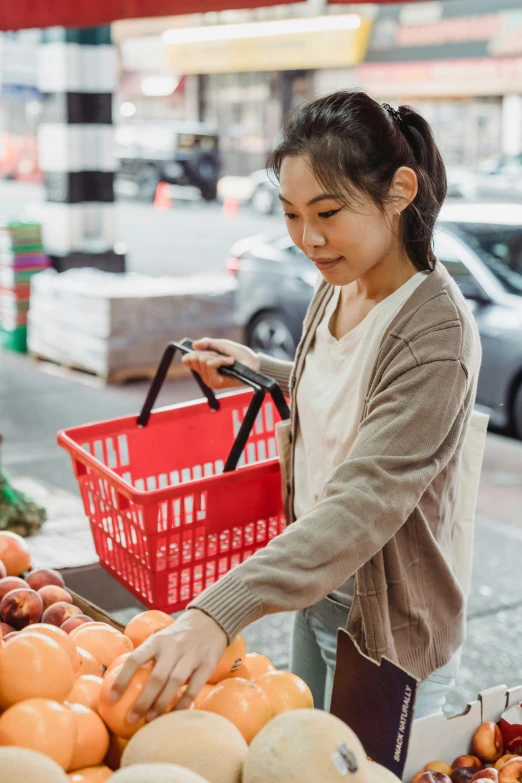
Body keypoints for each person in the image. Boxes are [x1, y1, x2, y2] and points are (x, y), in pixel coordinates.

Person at [109, 91, 481, 724]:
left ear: (399, 191)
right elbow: (339, 383)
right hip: (315, 587)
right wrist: (258, 369)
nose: (308, 238)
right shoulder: (340, 278)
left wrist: (215, 610)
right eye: (290, 214)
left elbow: (365, 501)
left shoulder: (435, 339)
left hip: (385, 629)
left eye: (328, 212)